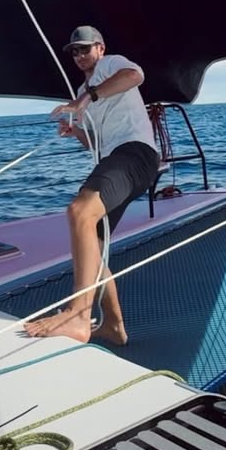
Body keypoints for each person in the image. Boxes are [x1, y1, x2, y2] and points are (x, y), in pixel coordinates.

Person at [25, 25, 159, 345]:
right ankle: (113, 325)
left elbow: (135, 76)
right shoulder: (84, 88)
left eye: (85, 48)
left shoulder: (111, 65)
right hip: (115, 159)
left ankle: (78, 316)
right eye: (74, 51)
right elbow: (95, 144)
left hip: (135, 154)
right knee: (92, 245)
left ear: (100, 48)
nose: (79, 55)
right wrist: (76, 132)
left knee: (80, 211)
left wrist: (85, 99)